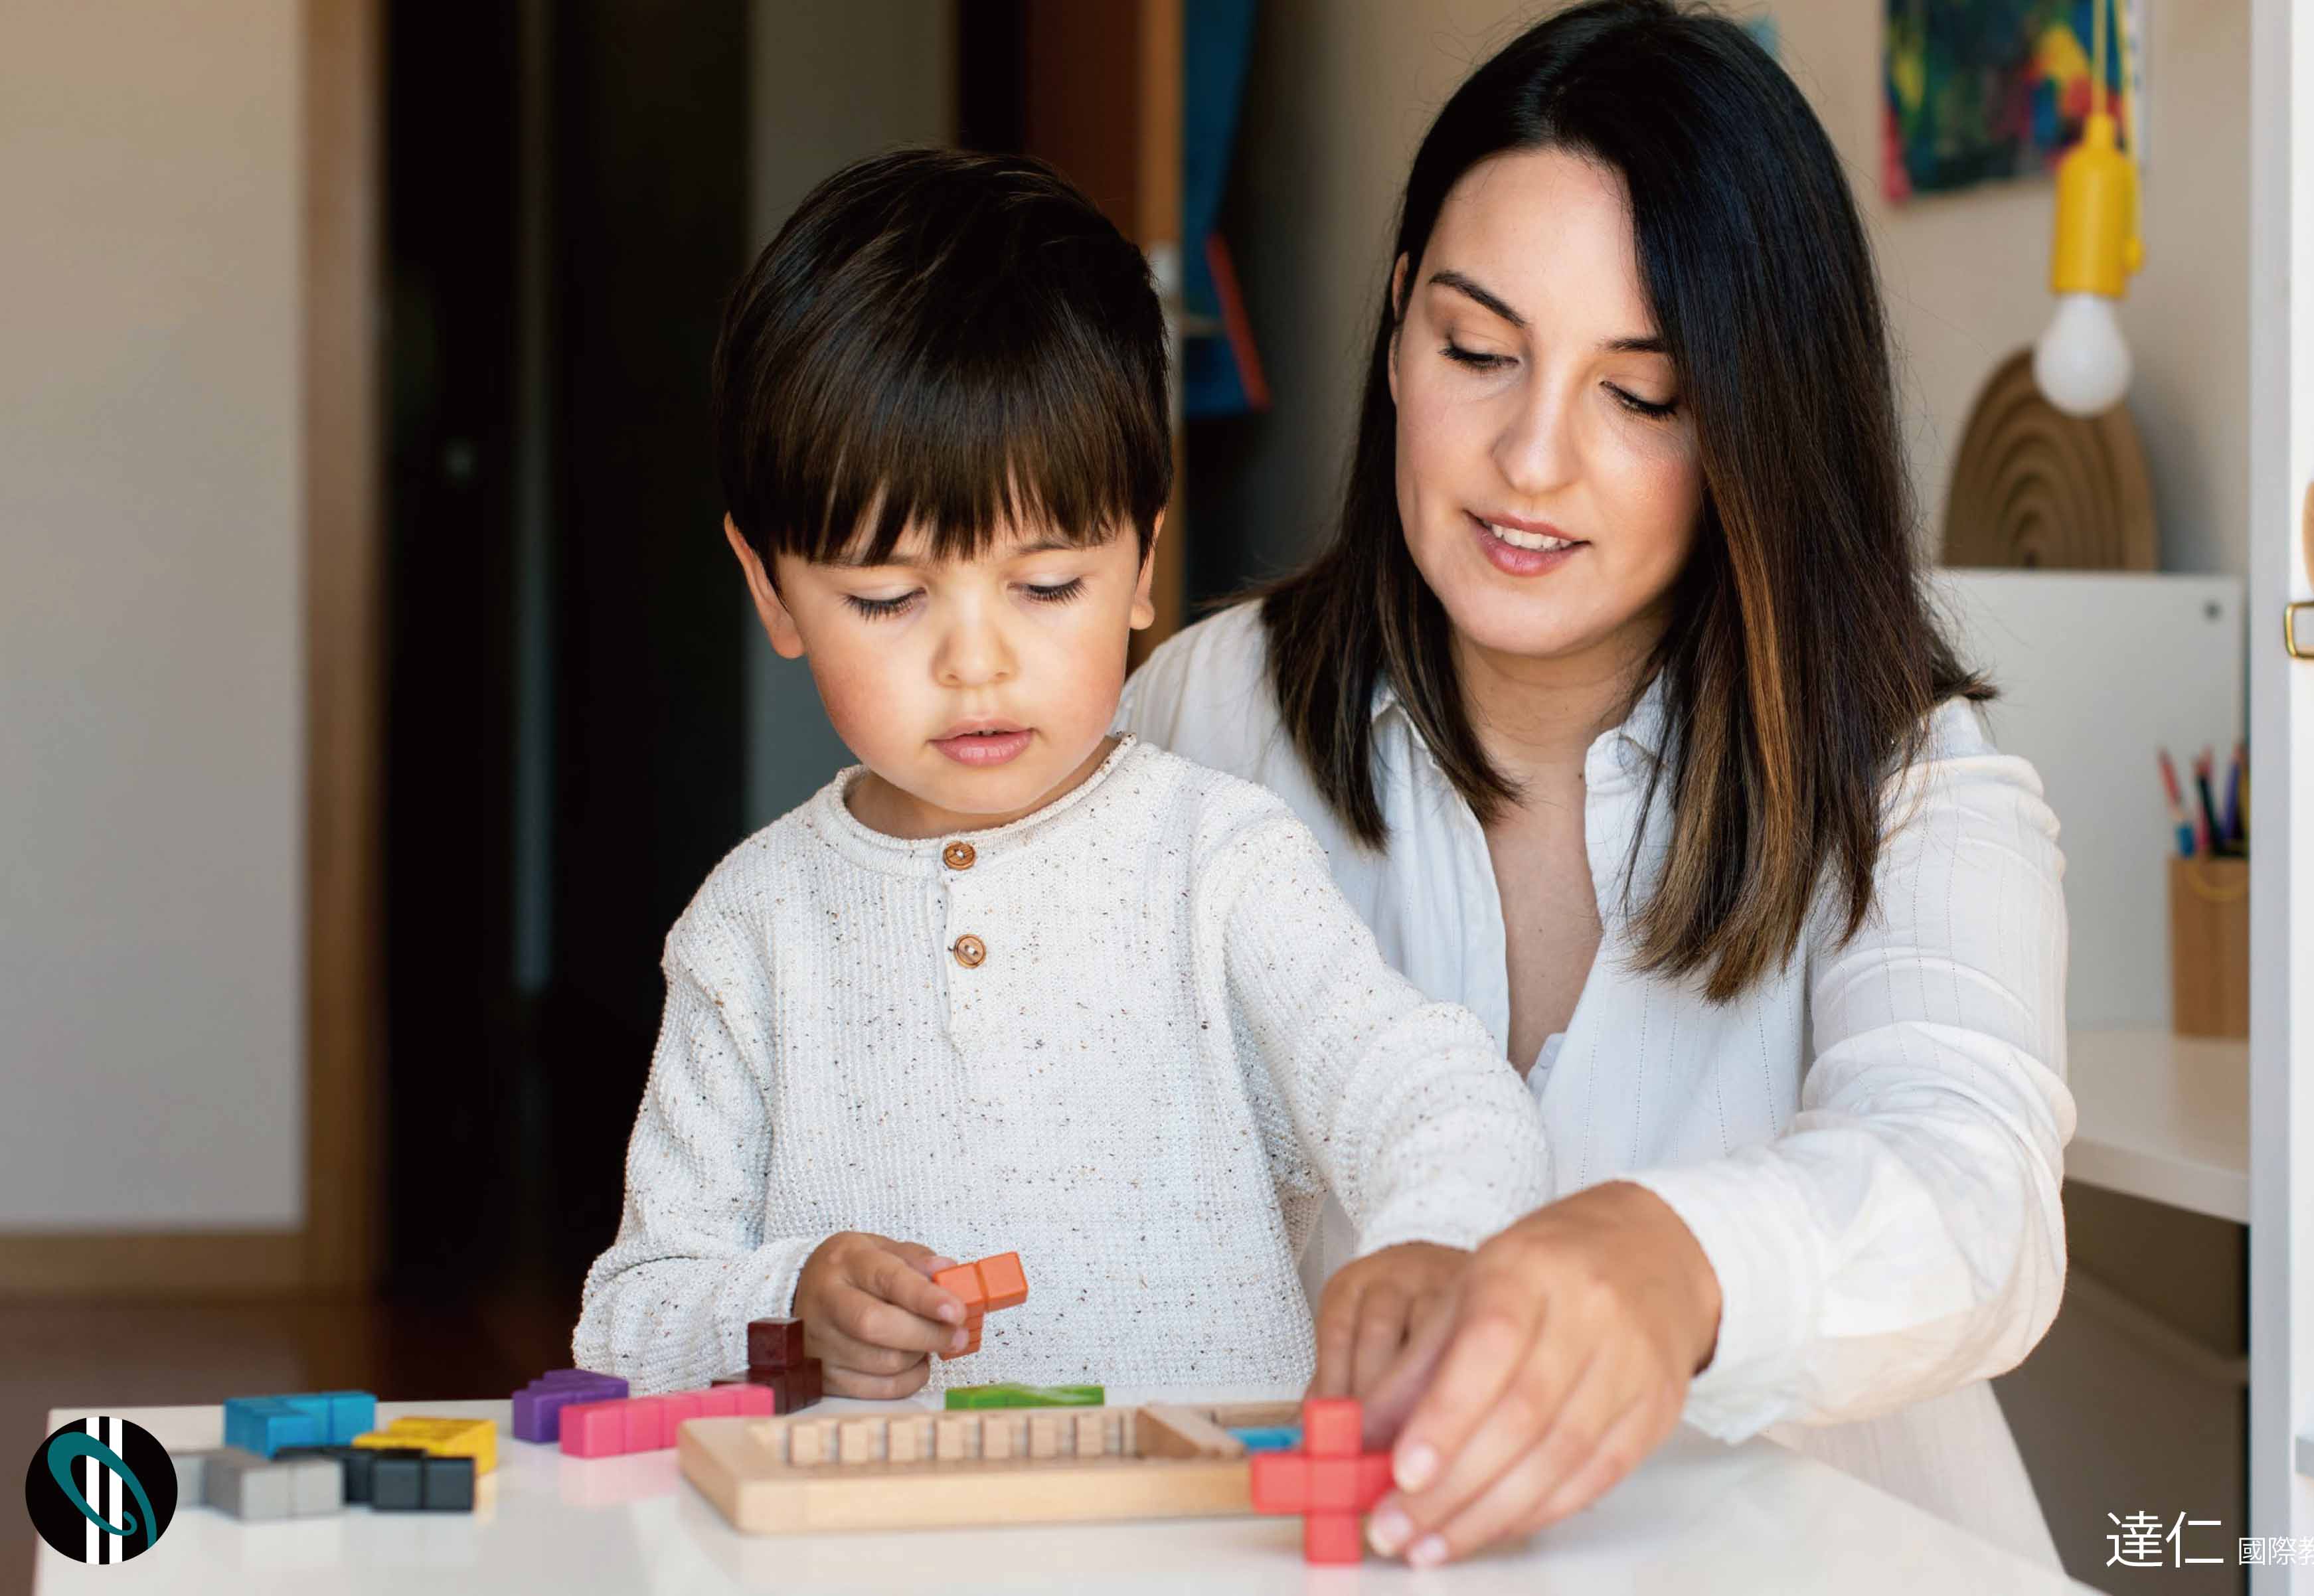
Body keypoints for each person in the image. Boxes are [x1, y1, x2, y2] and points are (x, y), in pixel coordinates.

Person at [1118, 0, 2074, 1571]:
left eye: (1641, 395)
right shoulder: (1211, 718)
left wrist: (1669, 1256)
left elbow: (1976, 1197)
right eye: (1477, 348)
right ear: (1393, 331)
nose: (1531, 456)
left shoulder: (1901, 787)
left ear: (1758, 427)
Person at [571, 148, 1551, 1402]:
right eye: (888, 597)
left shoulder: (1217, 867)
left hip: (1187, 1547)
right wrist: (786, 1305)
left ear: (1144, 561)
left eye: (1046, 587)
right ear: (771, 587)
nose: (977, 663)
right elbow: (631, 1318)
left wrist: (1435, 1243)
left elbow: (1430, 1090)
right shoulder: (752, 932)